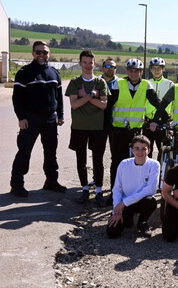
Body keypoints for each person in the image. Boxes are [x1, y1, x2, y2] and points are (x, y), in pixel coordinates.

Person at [10, 41, 66, 197]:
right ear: (33, 53)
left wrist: (60, 115)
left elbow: (59, 97)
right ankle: (16, 184)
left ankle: (51, 181)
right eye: (38, 52)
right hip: (31, 118)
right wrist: (21, 118)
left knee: (51, 152)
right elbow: (17, 98)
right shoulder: (24, 72)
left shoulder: (55, 73)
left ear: (49, 53)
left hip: (50, 119)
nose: (42, 55)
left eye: (45, 52)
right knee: (24, 152)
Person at [107, 58, 160, 205]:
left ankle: (134, 194)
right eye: (131, 70)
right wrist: (107, 124)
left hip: (136, 131)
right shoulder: (120, 84)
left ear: (141, 72)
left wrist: (157, 119)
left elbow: (157, 104)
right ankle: (114, 193)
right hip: (119, 129)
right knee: (117, 162)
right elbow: (109, 104)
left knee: (137, 163)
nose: (134, 73)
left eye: (137, 71)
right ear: (127, 71)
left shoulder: (146, 85)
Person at [65, 50, 109, 206]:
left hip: (97, 128)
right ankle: (84, 188)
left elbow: (103, 105)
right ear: (80, 63)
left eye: (90, 62)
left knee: (98, 160)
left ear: (94, 64)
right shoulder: (75, 82)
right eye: (84, 62)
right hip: (79, 127)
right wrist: (91, 96)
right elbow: (74, 105)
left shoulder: (100, 82)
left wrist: (85, 96)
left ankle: (98, 190)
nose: (88, 65)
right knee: (81, 159)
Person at [106, 135, 160, 239]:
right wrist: (116, 210)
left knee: (151, 201)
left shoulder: (154, 165)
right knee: (112, 233)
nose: (140, 152)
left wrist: (123, 203)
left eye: (143, 149)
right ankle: (128, 218)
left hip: (141, 202)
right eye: (137, 148)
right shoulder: (124, 164)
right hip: (125, 204)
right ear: (132, 150)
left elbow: (151, 189)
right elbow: (117, 188)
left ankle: (142, 222)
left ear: (149, 150)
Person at [143, 57, 174, 158]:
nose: (156, 71)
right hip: (148, 121)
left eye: (159, 68)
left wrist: (172, 122)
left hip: (163, 121)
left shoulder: (170, 84)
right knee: (146, 151)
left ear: (163, 69)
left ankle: (163, 172)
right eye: (154, 68)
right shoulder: (146, 83)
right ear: (150, 69)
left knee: (164, 152)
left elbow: (174, 104)